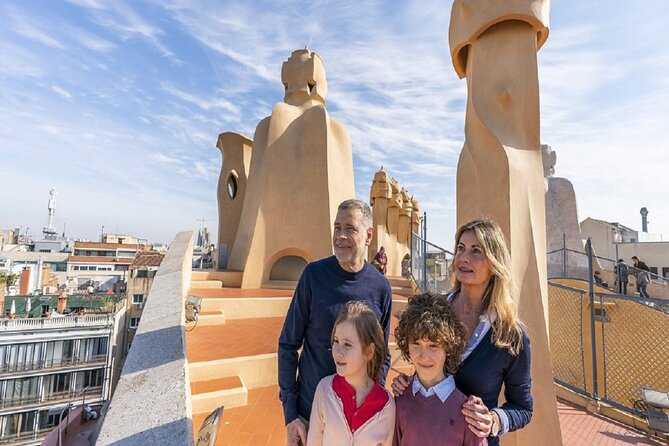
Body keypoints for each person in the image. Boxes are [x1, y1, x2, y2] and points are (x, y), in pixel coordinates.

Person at [392, 219, 532, 446]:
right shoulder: (434, 310)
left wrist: (493, 420)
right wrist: (409, 382)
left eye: (476, 251)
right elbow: (426, 361)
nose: (464, 258)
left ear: (494, 262)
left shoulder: (511, 336)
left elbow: (523, 407)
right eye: (460, 248)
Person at [278, 199, 393, 446]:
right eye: (337, 227)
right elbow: (288, 344)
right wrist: (290, 414)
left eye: (350, 229)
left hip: (360, 425)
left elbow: (382, 356)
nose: (340, 236)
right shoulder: (313, 275)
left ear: (368, 235)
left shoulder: (381, 288)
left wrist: (371, 400)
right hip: (309, 416)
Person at [393, 292, 487, 446]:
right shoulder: (400, 401)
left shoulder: (468, 413)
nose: (424, 356)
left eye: (433, 345)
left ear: (448, 347)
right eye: (416, 343)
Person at [307, 301, 395, 445]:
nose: (338, 352)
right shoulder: (324, 390)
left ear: (368, 352)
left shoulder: (386, 406)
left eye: (347, 344)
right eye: (336, 341)